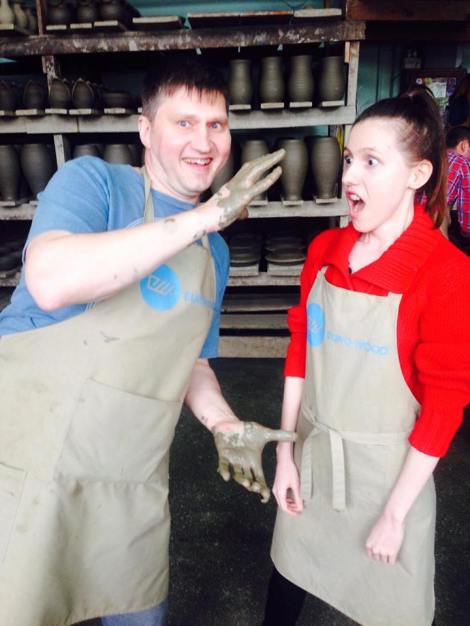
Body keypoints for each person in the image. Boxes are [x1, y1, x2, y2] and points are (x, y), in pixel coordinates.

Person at [0, 57, 293, 626]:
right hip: (34, 448)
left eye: (215, 125)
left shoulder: (215, 252)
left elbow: (192, 359)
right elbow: (51, 279)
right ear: (145, 129)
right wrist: (202, 218)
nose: (203, 142)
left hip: (128, 468)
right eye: (183, 123)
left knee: (137, 610)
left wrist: (223, 423)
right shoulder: (95, 183)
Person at [263, 89, 470, 626]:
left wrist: (396, 515)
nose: (349, 176)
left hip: (389, 483)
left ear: (418, 175)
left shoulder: (446, 273)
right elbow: (300, 353)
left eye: (371, 162)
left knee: (391, 606)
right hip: (312, 460)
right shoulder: (324, 252)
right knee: (287, 579)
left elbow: (443, 409)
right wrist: (285, 454)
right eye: (349, 159)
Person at [446, 125, 470, 252]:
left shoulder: (434, 157)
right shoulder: (463, 163)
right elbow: (466, 213)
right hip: (437, 224)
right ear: (464, 145)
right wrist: (466, 234)